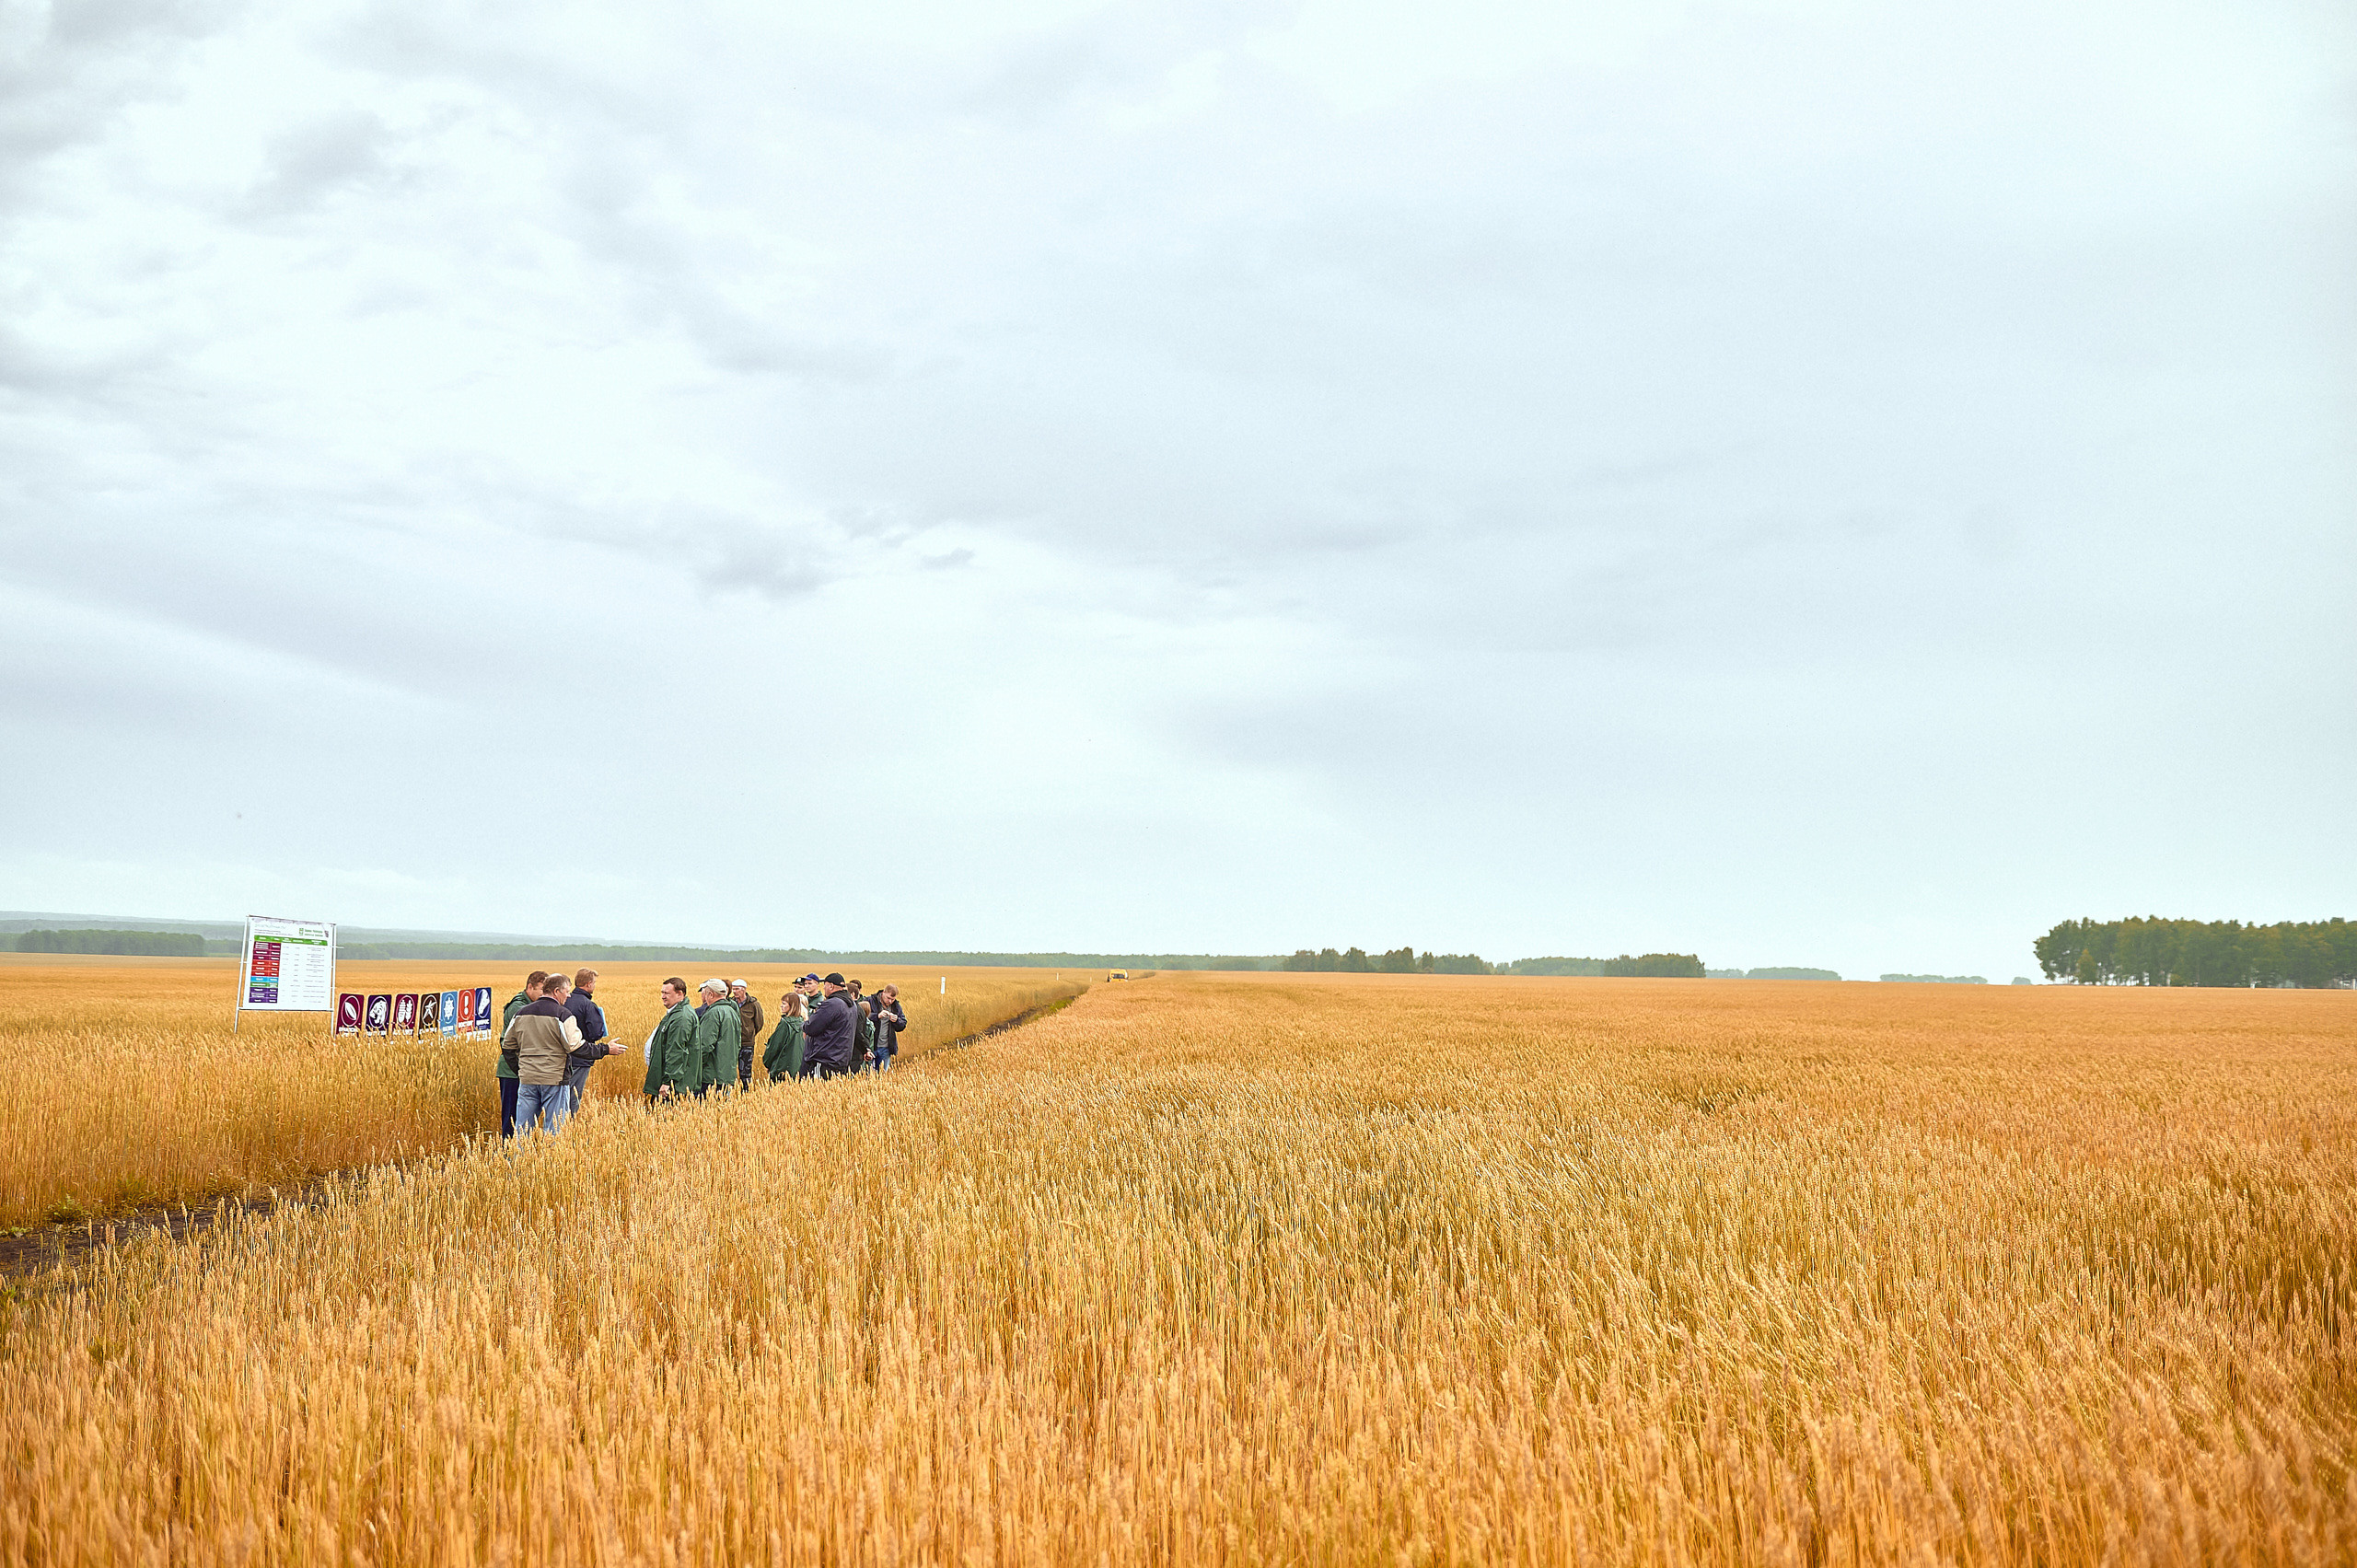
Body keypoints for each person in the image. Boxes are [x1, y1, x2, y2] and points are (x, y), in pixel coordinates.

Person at [503, 972, 586, 1133]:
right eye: (567, 991)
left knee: (522, 1130)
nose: (569, 996)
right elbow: (576, 1046)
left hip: (528, 1078)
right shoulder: (563, 1015)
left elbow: (507, 1047)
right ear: (556, 991)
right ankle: (552, 1159)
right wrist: (606, 1049)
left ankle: (520, 1158)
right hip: (554, 1080)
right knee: (555, 1130)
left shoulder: (521, 1013)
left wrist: (520, 1070)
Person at [495, 970, 549, 1136]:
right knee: (512, 1117)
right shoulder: (518, 1007)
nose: (543, 994)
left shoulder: (531, 1005)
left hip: (527, 1070)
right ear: (530, 987)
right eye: (541, 990)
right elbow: (512, 1043)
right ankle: (508, 1154)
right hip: (512, 1071)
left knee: (526, 1118)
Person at [561, 967, 615, 1115]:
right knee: (573, 1097)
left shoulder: (564, 1001)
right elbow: (596, 1033)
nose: (595, 985)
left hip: (559, 1057)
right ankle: (565, 1129)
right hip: (581, 1057)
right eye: (594, 982)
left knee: (560, 1096)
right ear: (589, 984)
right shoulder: (588, 1005)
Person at [643, 977, 700, 1100]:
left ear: (680, 994)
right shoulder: (675, 1013)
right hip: (668, 1080)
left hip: (674, 1086)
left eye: (666, 993)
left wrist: (668, 1082)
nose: (663, 996)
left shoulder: (681, 1018)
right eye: (662, 993)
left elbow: (676, 1052)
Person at [800, 973, 858, 1079]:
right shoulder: (852, 1005)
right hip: (841, 1059)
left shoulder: (832, 1004)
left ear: (831, 986)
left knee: (817, 1093)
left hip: (824, 1060)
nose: (824, 989)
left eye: (825, 985)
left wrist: (803, 1023)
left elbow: (811, 1028)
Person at [692, 979, 740, 1096]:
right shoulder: (732, 1011)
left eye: (705, 992)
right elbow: (738, 1043)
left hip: (711, 1076)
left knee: (705, 1110)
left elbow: (705, 1045)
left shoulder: (713, 1013)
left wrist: (693, 1066)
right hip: (727, 1074)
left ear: (711, 994)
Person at [762, 990, 807, 1083]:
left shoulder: (785, 1024)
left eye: (784, 1003)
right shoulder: (802, 1023)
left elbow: (774, 1047)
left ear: (792, 1006)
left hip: (781, 1068)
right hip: (798, 1068)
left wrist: (768, 1063)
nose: (781, 1006)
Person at [730, 979, 764, 1090]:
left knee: (745, 1072)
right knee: (730, 1070)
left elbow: (759, 1023)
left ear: (744, 989)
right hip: (732, 1043)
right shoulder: (730, 1003)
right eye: (733, 989)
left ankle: (746, 1093)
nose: (734, 991)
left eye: (737, 989)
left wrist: (750, 1034)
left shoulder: (753, 1004)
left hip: (747, 1043)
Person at [869, 983, 907, 1073]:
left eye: (892, 999)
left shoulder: (895, 1006)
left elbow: (903, 1024)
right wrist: (877, 1016)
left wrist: (896, 1020)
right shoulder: (870, 1001)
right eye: (888, 998)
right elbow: (862, 1017)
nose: (890, 1001)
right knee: (867, 1074)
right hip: (871, 1045)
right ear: (883, 993)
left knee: (882, 1074)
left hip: (886, 1047)